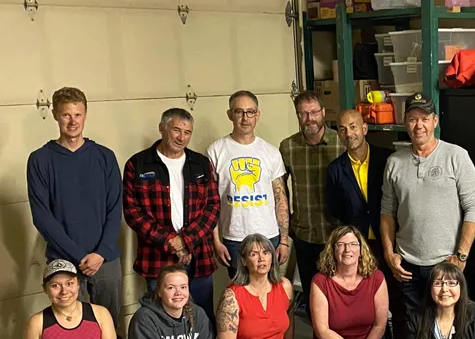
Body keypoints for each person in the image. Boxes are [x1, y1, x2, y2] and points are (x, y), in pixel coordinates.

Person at [27, 87, 123, 326]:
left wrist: (100, 253)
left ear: (85, 115)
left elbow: (115, 208)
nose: (72, 121)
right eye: (66, 115)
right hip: (65, 260)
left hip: (105, 258)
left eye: (77, 115)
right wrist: (80, 256)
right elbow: (42, 216)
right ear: (54, 115)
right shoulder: (40, 160)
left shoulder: (105, 157)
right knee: (72, 327)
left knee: (109, 326)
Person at [380, 93, 475, 313]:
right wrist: (390, 254)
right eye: (413, 119)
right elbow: (387, 211)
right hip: (407, 266)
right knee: (412, 331)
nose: (419, 125)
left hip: (446, 263)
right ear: (405, 122)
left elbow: (473, 207)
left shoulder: (456, 156)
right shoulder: (394, 162)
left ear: (435, 121)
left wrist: (461, 255)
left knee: (449, 329)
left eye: (425, 118)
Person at [326, 109, 408, 339]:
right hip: (360, 251)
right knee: (370, 310)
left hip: (392, 245)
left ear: (364, 128)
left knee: (399, 305)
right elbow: (336, 210)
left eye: (353, 127)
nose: (348, 133)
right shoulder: (335, 170)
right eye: (342, 129)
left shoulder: (388, 159)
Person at [122, 108, 220, 325]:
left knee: (202, 318)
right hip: (157, 257)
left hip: (199, 256)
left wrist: (186, 241)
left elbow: (212, 207)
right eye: (176, 130)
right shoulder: (137, 165)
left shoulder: (201, 164)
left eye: (187, 132)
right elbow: (133, 213)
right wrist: (171, 242)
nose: (181, 137)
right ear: (161, 128)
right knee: (161, 320)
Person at [207, 91, 290, 277]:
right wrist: (216, 241)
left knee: (271, 292)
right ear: (230, 115)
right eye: (239, 112)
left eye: (250, 112)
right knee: (241, 295)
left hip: (269, 237)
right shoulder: (216, 151)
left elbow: (280, 198)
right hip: (234, 238)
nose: (245, 118)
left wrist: (283, 240)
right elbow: (210, 202)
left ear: (257, 114)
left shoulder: (270, 152)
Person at [279, 91, 344, 300]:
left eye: (314, 112)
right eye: (303, 114)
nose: (310, 119)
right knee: (311, 294)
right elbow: (280, 190)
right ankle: (318, 331)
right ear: (297, 115)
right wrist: (286, 225)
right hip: (304, 232)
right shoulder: (288, 147)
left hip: (336, 232)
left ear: (323, 112)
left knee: (338, 293)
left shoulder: (340, 143)